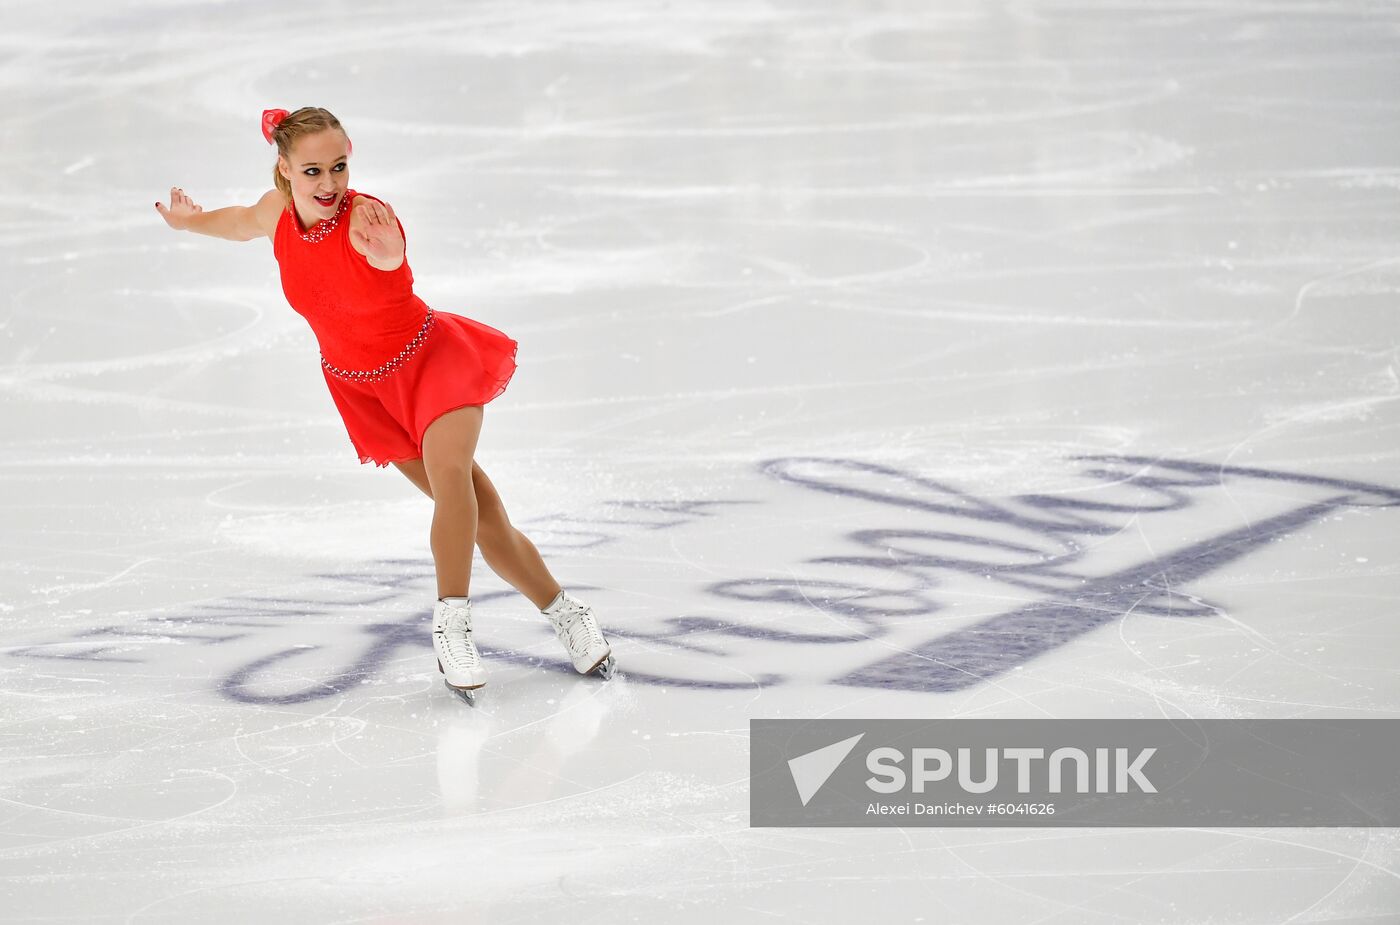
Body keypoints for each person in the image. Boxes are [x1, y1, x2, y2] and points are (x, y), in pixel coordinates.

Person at [154, 106, 614, 701]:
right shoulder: (277, 214)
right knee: (485, 517)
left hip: (430, 361)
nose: (329, 184)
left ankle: (452, 625)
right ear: (285, 170)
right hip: (365, 388)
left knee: (452, 481)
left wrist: (390, 252)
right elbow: (239, 221)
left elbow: (390, 264)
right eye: (313, 170)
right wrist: (190, 223)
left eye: (338, 167)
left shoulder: (367, 217)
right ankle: (565, 612)